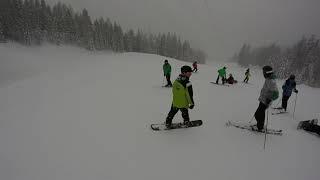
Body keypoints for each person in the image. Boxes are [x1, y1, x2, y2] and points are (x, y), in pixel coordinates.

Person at [253, 66, 279, 132]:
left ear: (267, 72)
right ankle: (260, 125)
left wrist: (269, 99)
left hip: (266, 101)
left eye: (264, 72)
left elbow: (276, 94)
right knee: (258, 114)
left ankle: (260, 127)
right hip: (263, 99)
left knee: (259, 114)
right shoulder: (268, 79)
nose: (263, 73)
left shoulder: (271, 81)